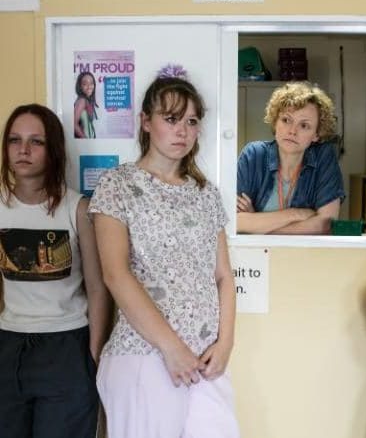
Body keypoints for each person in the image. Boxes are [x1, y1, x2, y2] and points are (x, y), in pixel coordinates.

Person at [88, 74, 239, 438]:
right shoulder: (118, 184)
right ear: (145, 121)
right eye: (171, 118)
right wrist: (171, 348)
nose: (182, 131)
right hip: (145, 354)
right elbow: (115, 274)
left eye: (191, 121)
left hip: (204, 360)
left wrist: (226, 344)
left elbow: (223, 276)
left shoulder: (205, 194)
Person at [0, 104, 112, 438]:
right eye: (15, 140)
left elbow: (97, 287)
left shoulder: (76, 208)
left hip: (66, 344)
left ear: (53, 150)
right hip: (9, 344)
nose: (23, 150)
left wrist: (93, 353)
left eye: (36, 141)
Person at [236, 81, 345, 235]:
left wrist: (257, 224)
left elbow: (325, 224)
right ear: (275, 122)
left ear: (316, 134)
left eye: (304, 125)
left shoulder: (323, 157)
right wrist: (296, 214)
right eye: (286, 120)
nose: (292, 131)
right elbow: (236, 221)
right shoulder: (254, 155)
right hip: (258, 250)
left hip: (303, 250)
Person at [74, 71, 98, 138]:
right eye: (85, 84)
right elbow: (74, 124)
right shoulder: (82, 101)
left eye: (91, 83)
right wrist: (85, 139)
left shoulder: (88, 100)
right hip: (85, 141)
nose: (89, 86)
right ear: (80, 86)